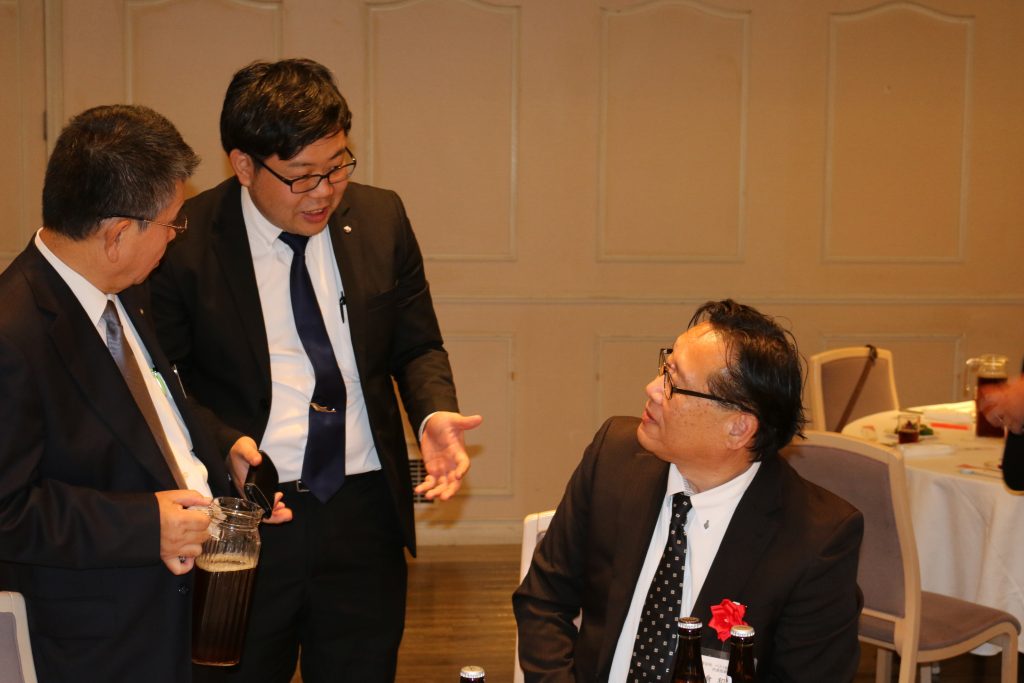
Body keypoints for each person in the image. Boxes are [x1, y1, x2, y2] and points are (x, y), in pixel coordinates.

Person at [148, 58, 482, 682]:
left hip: (363, 510)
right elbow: (162, 381)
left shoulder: (381, 217)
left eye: (338, 165)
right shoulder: (185, 241)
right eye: (302, 176)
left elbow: (417, 344)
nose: (325, 191)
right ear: (243, 165)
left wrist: (433, 413)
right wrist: (222, 442)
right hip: (249, 512)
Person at [0, 104, 288, 683]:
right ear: (117, 234)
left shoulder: (122, 289)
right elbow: (9, 510)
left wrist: (218, 447)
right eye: (171, 224)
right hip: (101, 640)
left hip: (177, 615)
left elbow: (151, 403)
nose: (175, 238)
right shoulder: (14, 332)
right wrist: (143, 525)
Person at [514, 300, 864, 682]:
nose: (652, 388)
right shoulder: (614, 460)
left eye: (674, 383)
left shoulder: (817, 540)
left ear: (738, 428)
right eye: (664, 367)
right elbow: (543, 600)